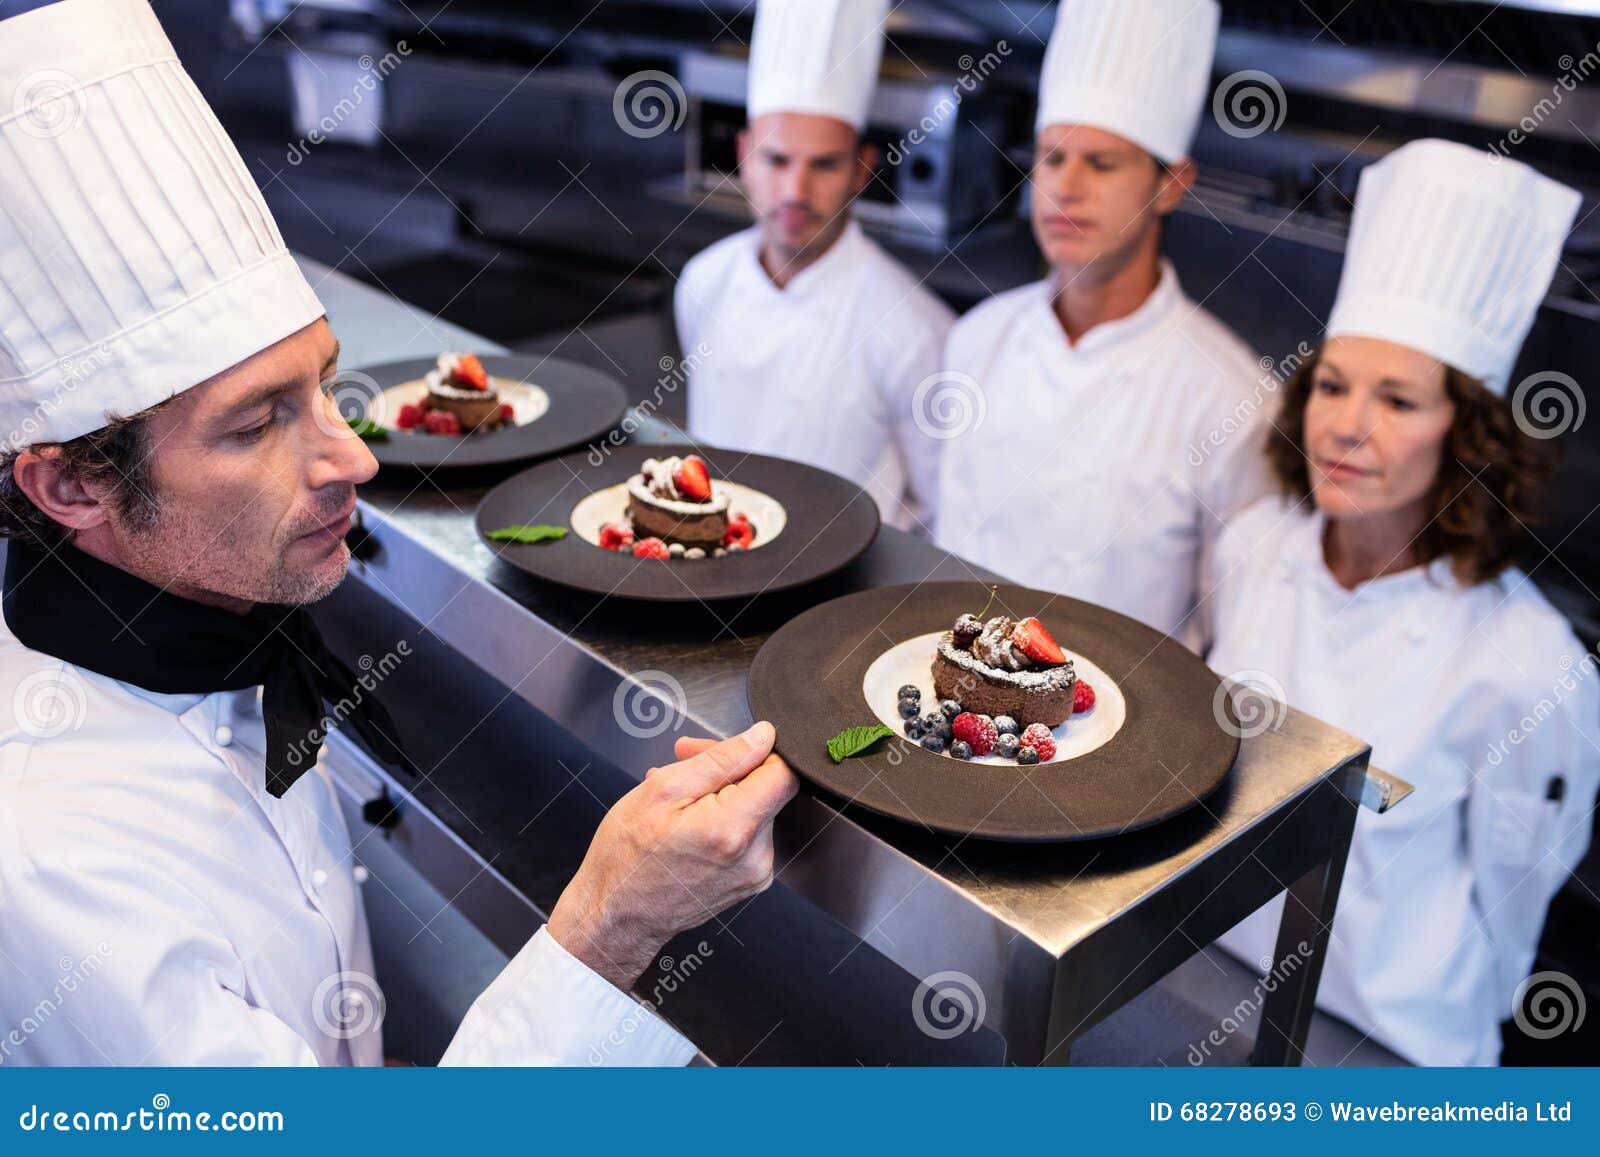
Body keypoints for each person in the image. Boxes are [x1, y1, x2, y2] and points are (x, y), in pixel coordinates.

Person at [0, 0, 796, 1066]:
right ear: (69, 486)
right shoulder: (50, 864)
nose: (354, 461)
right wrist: (616, 920)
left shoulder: (217, 635)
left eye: (323, 387)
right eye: (255, 424)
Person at [1204, 139, 1599, 1066]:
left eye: (1399, 400)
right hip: (1209, 980)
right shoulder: (1255, 549)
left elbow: (1518, 897)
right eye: (1333, 386)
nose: (1347, 425)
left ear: (1469, 431)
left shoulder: (1527, 662)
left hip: (1394, 1046)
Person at [934, 0, 1270, 641]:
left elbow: (1231, 626)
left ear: (1171, 184)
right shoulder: (976, 339)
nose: (1067, 186)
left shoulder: (1234, 397)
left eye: (1103, 163)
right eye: (1052, 159)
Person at [677, 0, 954, 533]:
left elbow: (940, 512)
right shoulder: (704, 282)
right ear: (744, 154)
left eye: (824, 165)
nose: (795, 192)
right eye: (777, 160)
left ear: (861, 169)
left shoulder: (915, 329)